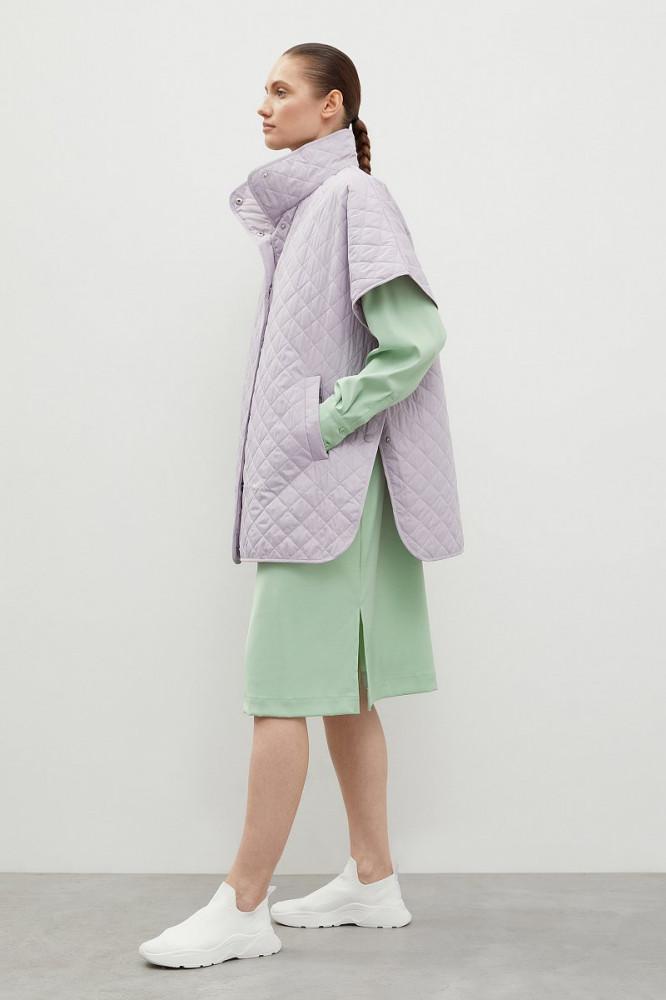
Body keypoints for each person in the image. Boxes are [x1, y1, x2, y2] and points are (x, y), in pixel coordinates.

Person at [139, 42, 463, 970]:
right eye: (264, 91)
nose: (264, 105)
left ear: (333, 108)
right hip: (329, 485)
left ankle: (244, 904)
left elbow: (417, 336)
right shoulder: (312, 210)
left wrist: (326, 418)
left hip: (332, 484)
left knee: (279, 691)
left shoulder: (352, 198)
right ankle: (373, 877)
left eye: (281, 90)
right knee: (344, 690)